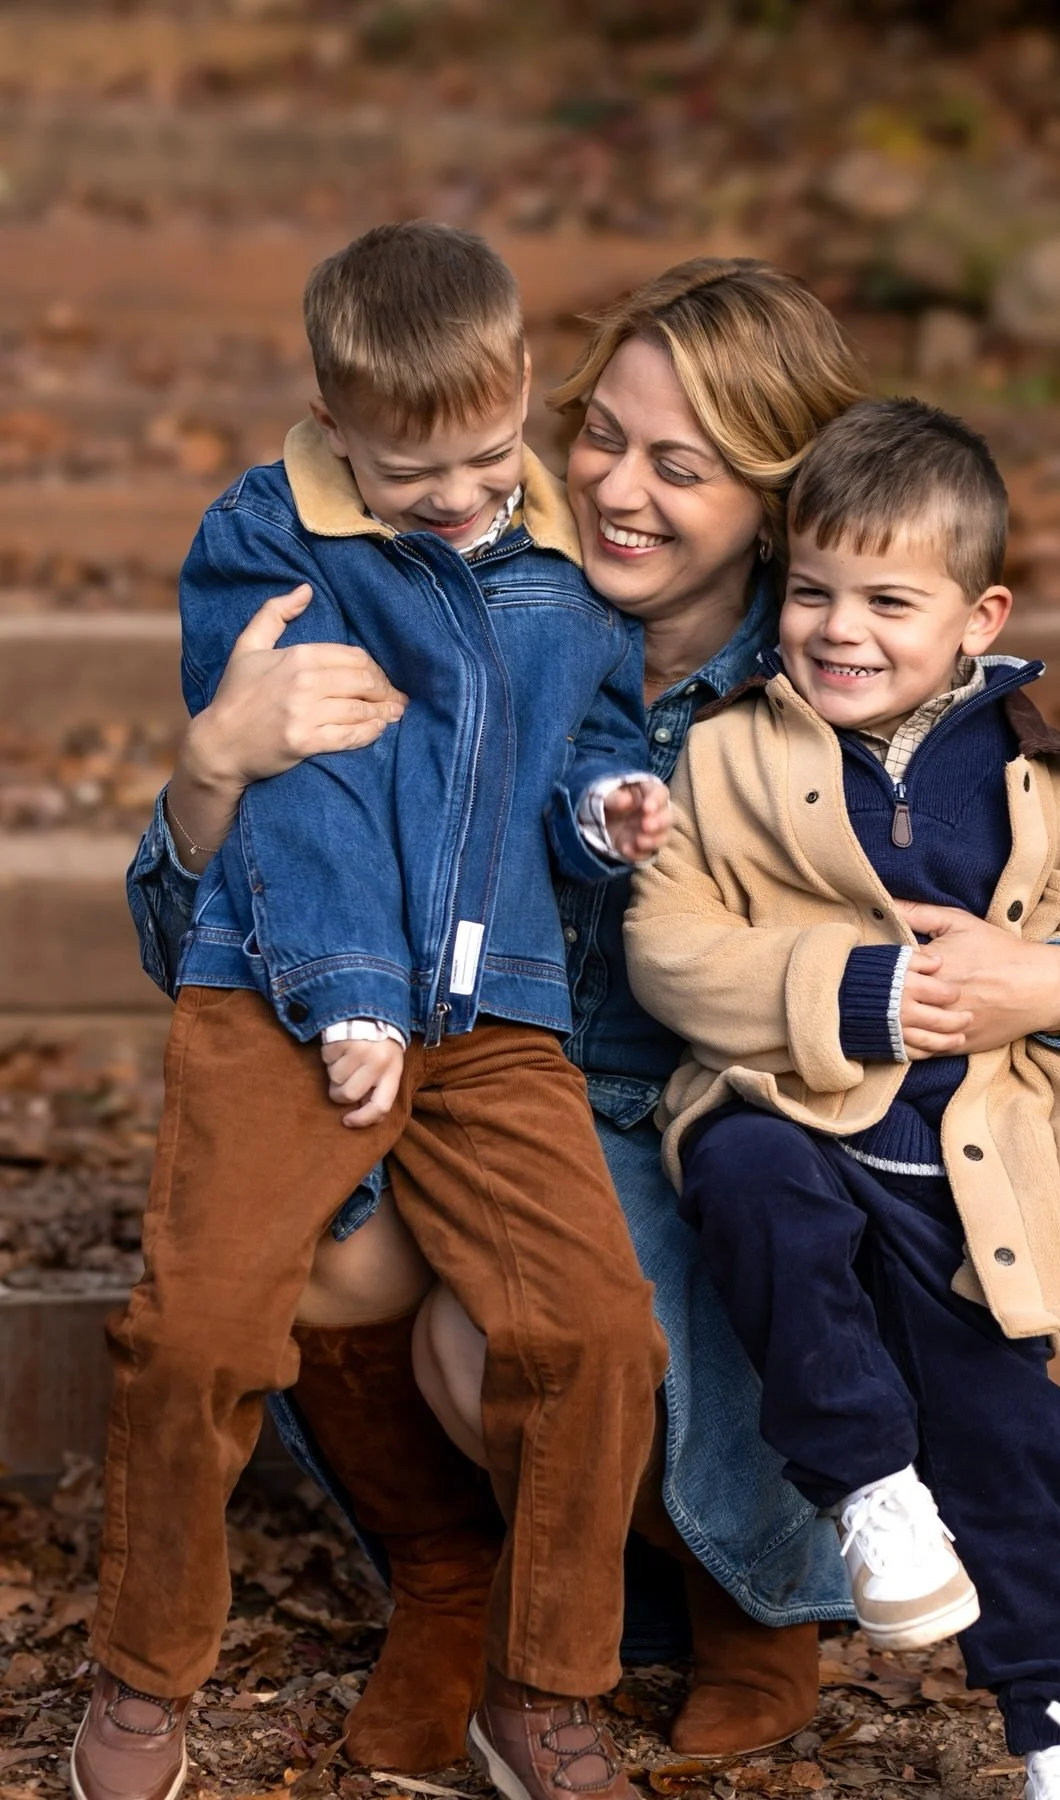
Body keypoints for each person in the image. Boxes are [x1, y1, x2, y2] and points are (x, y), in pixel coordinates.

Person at [126, 258, 1060, 1771]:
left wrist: (1057, 984)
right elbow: (193, 929)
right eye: (603, 438)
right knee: (333, 1228)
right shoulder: (473, 587)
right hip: (470, 1076)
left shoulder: (835, 663)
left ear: (777, 496)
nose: (617, 486)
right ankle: (451, 1578)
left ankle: (740, 1599)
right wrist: (211, 769)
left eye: (682, 465)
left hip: (713, 1129)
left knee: (537, 1316)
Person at [76, 222, 672, 1800]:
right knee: (198, 1329)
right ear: (335, 425)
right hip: (283, 985)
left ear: (527, 388)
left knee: (598, 1327)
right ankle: (142, 1677)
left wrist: (611, 805)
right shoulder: (266, 538)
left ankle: (540, 1688)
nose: (464, 498)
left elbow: (587, 740)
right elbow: (302, 782)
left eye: (489, 454)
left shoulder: (556, 565)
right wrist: (347, 997)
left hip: (497, 1006)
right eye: (416, 474)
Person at [626, 397, 1060, 1800]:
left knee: (1014, 1446)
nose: (840, 630)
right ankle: (869, 1487)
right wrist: (854, 991)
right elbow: (671, 948)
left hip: (971, 1175)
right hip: (798, 1117)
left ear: (978, 615)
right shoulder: (729, 755)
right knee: (744, 1175)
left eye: (888, 600)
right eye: (811, 592)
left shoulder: (1052, 792)